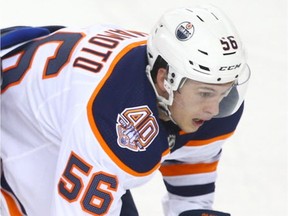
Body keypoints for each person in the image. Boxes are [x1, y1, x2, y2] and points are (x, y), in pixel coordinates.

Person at [0, 5, 250, 216]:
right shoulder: (111, 115)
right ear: (165, 80)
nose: (214, 108)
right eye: (205, 93)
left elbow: (191, 182)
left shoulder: (206, 103)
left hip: (50, 109)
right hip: (15, 122)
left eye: (224, 91)